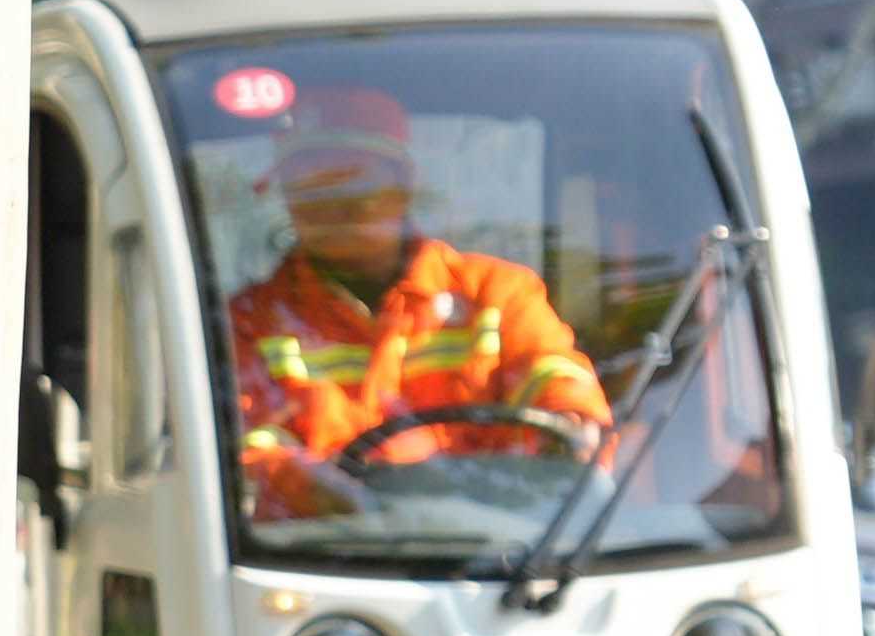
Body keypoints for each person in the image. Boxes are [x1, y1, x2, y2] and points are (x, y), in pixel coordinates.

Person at [222, 83, 606, 519]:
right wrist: (304, 487)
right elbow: (243, 450)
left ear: (403, 185)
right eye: (309, 193)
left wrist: (571, 422)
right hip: (330, 558)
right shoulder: (248, 322)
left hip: (504, 551)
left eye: (353, 190)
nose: (332, 211)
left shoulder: (497, 295)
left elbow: (554, 373)